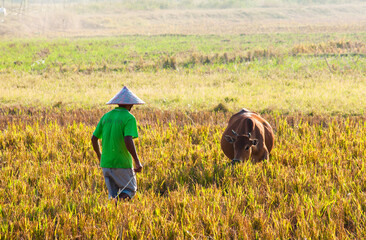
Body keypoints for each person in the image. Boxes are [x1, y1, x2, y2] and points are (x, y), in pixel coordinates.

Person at [91, 86, 144, 201]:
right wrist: (137, 161)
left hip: (106, 163)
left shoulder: (106, 116)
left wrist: (100, 156)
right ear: (130, 105)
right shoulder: (129, 118)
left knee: (113, 195)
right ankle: (116, 207)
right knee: (130, 190)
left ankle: (113, 211)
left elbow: (94, 139)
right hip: (122, 163)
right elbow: (128, 139)